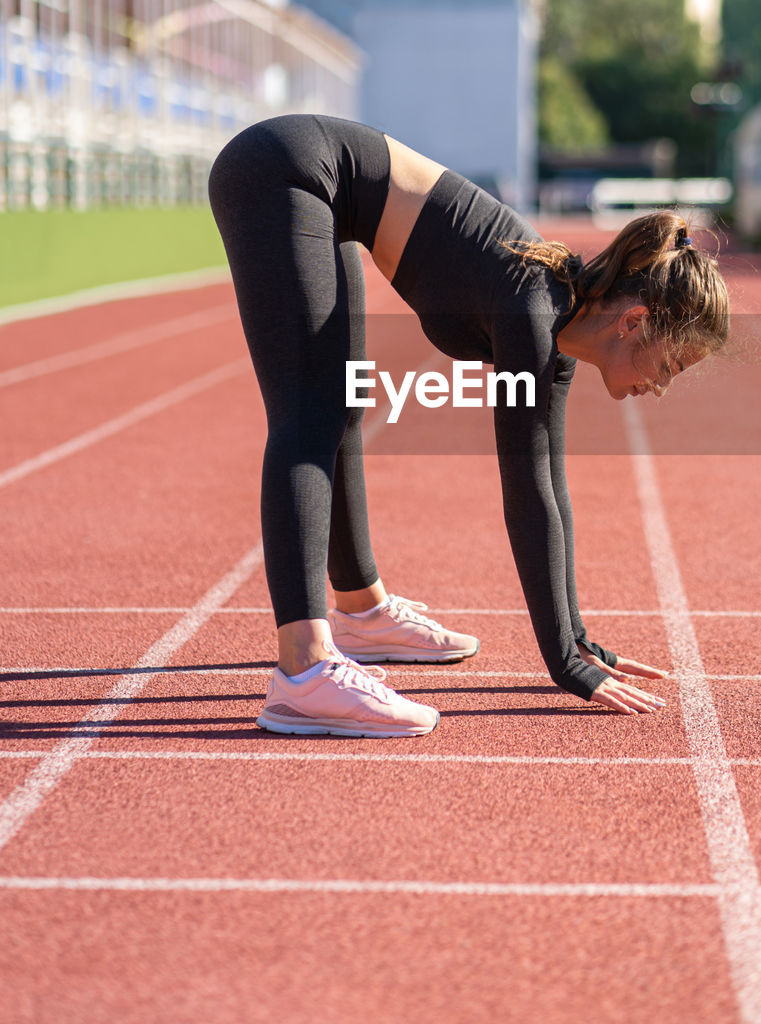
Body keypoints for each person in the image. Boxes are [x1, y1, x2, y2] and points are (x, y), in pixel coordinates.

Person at [208, 114, 729, 738]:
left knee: (342, 403)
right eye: (670, 365)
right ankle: (303, 672)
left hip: (328, 190)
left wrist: (578, 642)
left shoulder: (558, 328)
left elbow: (546, 489)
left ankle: (362, 612)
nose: (662, 386)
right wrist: (564, 664)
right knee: (310, 410)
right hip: (284, 169)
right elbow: (525, 495)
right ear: (635, 322)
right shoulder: (534, 308)